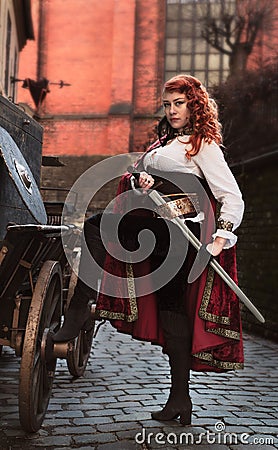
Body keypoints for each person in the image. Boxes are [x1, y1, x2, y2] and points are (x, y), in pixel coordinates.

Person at [53, 74, 245, 426]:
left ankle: (81, 307)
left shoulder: (202, 145)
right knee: (172, 311)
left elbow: (230, 196)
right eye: (167, 104)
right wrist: (143, 180)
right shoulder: (165, 143)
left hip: (182, 234)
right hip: (156, 229)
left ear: (194, 104)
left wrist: (221, 237)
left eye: (179, 103)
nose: (172, 110)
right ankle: (179, 401)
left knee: (100, 227)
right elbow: (150, 181)